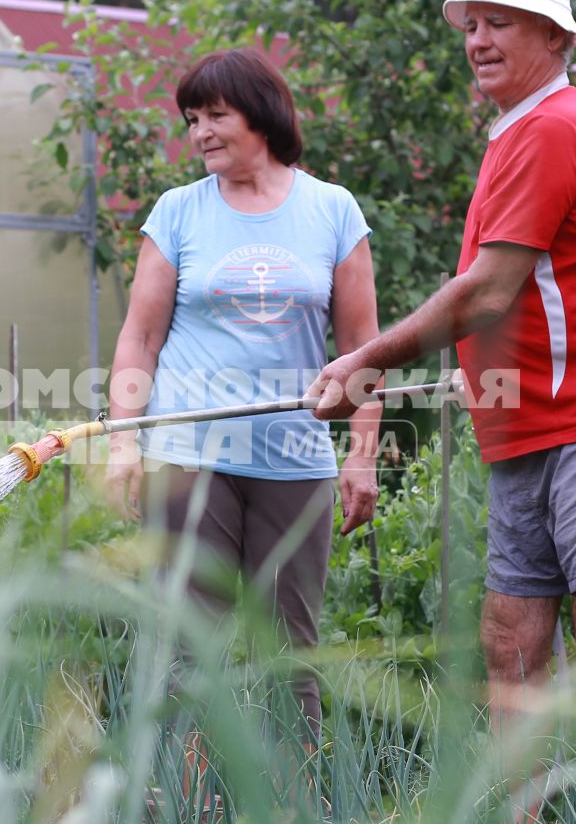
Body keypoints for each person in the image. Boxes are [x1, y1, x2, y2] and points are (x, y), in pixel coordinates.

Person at [308, 0, 576, 786]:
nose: (476, 38)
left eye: (498, 21)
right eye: (471, 24)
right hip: (523, 435)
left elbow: (485, 293)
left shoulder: (554, 130)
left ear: (553, 34)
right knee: (511, 642)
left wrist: (363, 360)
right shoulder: (515, 135)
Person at [106, 47, 381, 739]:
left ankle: (296, 822)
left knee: (288, 649)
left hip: (294, 457)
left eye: (215, 115)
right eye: (191, 118)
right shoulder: (176, 213)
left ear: (260, 114)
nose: (199, 132)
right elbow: (138, 339)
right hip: (188, 451)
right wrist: (122, 442)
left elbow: (363, 353)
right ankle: (182, 823)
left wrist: (363, 454)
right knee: (188, 646)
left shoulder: (333, 212)